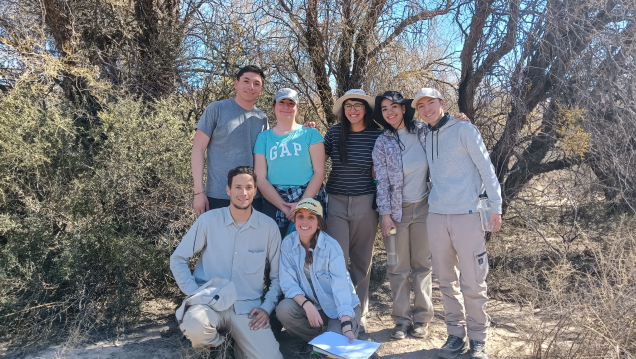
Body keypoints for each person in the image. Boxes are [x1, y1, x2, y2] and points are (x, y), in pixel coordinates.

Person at [413, 88, 502, 359]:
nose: (427, 109)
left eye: (432, 103)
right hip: (437, 215)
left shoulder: (465, 130)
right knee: (446, 280)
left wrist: (495, 207)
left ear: (442, 103)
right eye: (421, 106)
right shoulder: (424, 134)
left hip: (467, 214)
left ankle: (478, 339)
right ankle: (455, 335)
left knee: (473, 281)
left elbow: (487, 169)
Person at [170, 166, 283, 359]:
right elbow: (178, 258)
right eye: (238, 187)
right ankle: (221, 349)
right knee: (195, 324)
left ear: (255, 191)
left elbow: (278, 276)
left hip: (247, 310)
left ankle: (240, 346)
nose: (243, 193)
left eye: (248, 187)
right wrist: (193, 293)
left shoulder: (268, 227)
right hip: (209, 303)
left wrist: (266, 307)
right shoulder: (208, 221)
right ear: (228, 190)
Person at [371, 90, 435, 341]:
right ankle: (401, 319)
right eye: (385, 108)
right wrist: (385, 216)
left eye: (394, 107)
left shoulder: (422, 131)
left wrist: (457, 118)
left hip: (424, 208)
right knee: (397, 267)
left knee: (422, 265)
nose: (390, 112)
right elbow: (382, 182)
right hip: (396, 214)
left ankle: (421, 319)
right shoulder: (382, 142)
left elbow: (444, 134)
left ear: (404, 108)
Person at [323, 89, 382, 332]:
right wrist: (307, 133)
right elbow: (316, 157)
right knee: (336, 260)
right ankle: (338, 313)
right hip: (335, 201)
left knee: (361, 260)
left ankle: (360, 314)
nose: (353, 110)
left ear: (366, 109)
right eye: (349, 106)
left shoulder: (377, 135)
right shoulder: (335, 132)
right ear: (343, 110)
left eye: (358, 105)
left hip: (366, 202)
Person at [276, 198, 362, 344]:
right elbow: (288, 282)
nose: (304, 222)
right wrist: (306, 305)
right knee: (284, 310)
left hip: (340, 310)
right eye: (300, 216)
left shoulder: (331, 247)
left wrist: (346, 323)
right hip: (315, 307)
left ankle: (336, 336)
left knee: (339, 345)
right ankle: (319, 341)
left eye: (311, 217)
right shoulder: (287, 244)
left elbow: (341, 287)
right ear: (295, 220)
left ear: (318, 223)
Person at [191, 65, 267, 215]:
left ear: (261, 91)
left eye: (256, 83)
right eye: (246, 81)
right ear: (236, 84)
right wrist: (199, 193)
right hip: (218, 196)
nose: (251, 87)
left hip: (253, 198)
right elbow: (198, 149)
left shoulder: (262, 118)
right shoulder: (216, 109)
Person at [254, 88, 326, 238]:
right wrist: (285, 207)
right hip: (274, 201)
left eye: (291, 103)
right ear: (274, 106)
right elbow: (260, 177)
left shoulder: (310, 134)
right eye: (282, 102)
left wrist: (301, 205)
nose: (286, 107)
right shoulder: (263, 138)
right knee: (275, 251)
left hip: (308, 198)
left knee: (309, 249)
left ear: (297, 108)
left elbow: (319, 172)